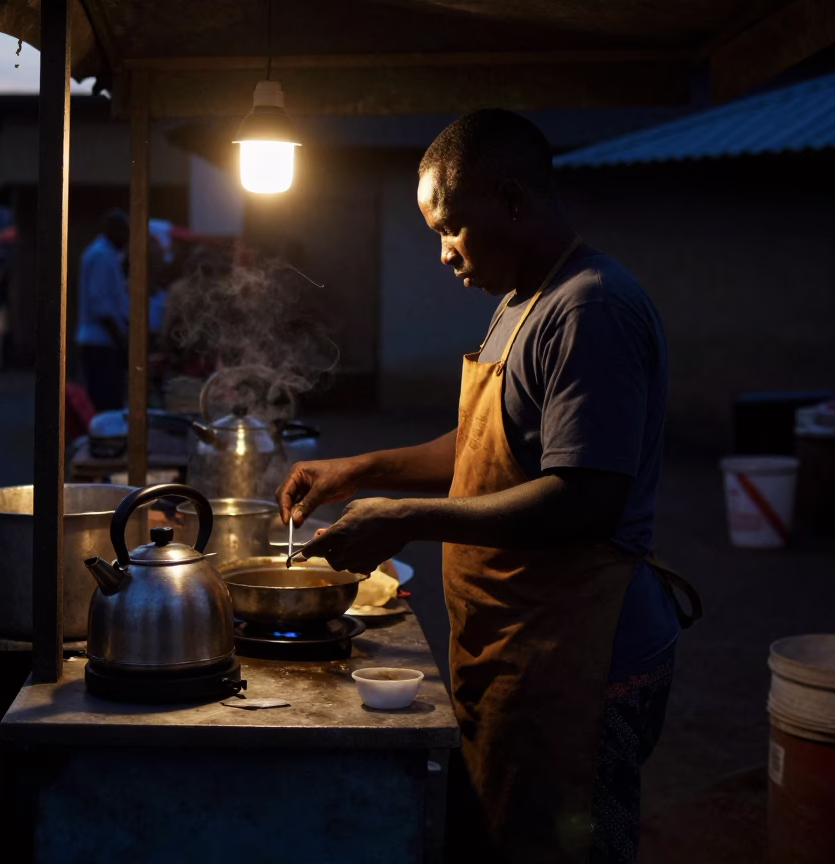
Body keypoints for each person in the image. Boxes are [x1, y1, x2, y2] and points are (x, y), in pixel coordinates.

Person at [276, 110, 701, 864]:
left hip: (585, 659)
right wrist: (359, 472)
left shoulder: (587, 307)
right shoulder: (518, 303)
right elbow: (481, 449)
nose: (443, 254)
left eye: (451, 229)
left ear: (511, 201)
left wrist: (407, 517)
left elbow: (584, 496)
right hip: (521, 642)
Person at [76, 210, 130, 411]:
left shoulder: (107, 255)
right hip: (100, 342)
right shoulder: (101, 256)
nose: (127, 239)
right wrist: (120, 339)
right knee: (105, 402)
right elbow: (100, 305)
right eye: (125, 233)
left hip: (103, 340)